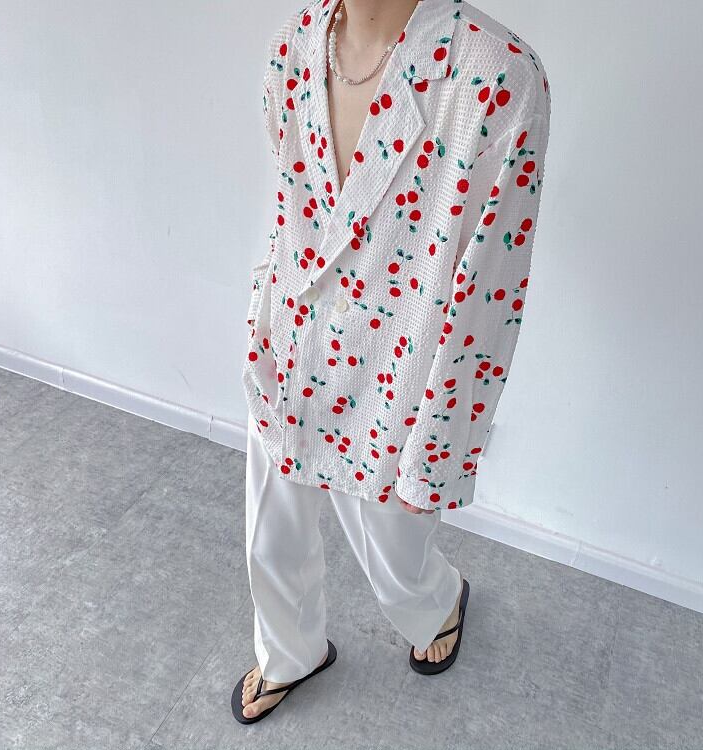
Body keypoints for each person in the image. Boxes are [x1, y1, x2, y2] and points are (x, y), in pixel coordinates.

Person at [232, 0, 551, 724]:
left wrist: (438, 451)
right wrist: (263, 312)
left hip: (399, 364)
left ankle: (438, 604)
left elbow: (490, 291)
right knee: (272, 531)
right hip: (291, 338)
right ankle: (289, 653)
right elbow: (292, 206)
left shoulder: (497, 74)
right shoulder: (295, 45)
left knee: (394, 553)